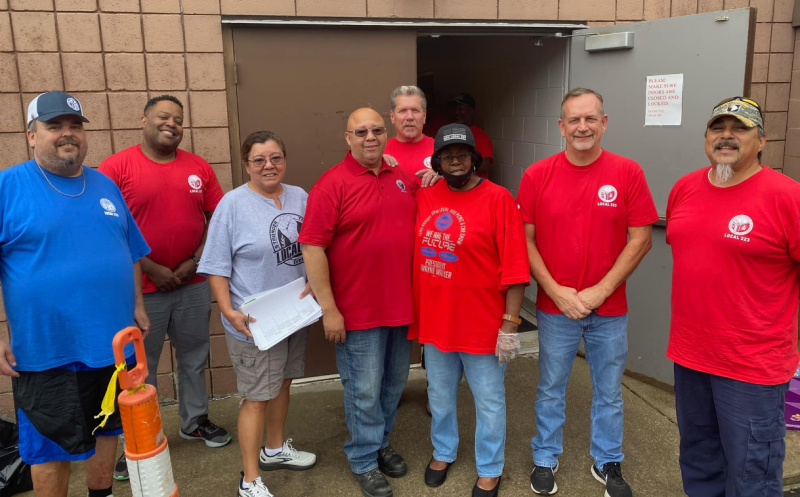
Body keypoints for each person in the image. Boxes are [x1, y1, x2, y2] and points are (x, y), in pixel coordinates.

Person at [0, 91, 150, 497]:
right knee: (49, 449)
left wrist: (137, 304)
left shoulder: (104, 185)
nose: (68, 134)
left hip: (114, 344)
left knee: (109, 429)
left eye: (75, 126)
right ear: (31, 136)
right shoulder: (7, 186)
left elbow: (131, 250)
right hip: (46, 350)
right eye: (54, 127)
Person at [517, 88, 658, 497]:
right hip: (555, 307)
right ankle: (545, 457)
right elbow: (524, 240)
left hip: (609, 309)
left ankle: (608, 460)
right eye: (574, 120)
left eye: (590, 119)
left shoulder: (627, 172)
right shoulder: (537, 175)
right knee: (550, 387)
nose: (583, 127)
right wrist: (556, 291)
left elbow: (642, 238)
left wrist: (601, 290)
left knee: (609, 391)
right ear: (561, 127)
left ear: (604, 123)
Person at [666, 97, 800, 497]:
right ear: (706, 138)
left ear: (761, 140)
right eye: (717, 128)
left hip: (752, 367)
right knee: (699, 460)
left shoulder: (787, 197)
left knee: (751, 473)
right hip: (690, 356)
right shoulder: (684, 189)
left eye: (739, 128)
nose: (726, 136)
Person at [99, 95, 230, 480]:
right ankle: (138, 441)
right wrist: (152, 268)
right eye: (163, 117)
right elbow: (109, 230)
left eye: (178, 119)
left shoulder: (199, 167)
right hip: (141, 290)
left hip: (191, 282)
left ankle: (195, 421)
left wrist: (196, 262)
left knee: (194, 356)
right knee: (141, 369)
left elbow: (217, 220)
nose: (171, 123)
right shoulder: (116, 167)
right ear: (143, 120)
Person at [299, 108, 418, 497]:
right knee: (363, 389)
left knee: (392, 384)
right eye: (361, 131)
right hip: (357, 312)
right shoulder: (331, 185)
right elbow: (312, 246)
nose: (370, 137)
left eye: (377, 130)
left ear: (388, 134)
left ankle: (380, 443)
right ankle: (364, 459)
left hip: (400, 306)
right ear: (347, 138)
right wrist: (329, 310)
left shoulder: (402, 178)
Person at [410, 124, 530, 497]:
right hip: (436, 320)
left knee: (489, 402)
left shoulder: (498, 199)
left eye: (463, 154)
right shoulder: (425, 195)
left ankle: (490, 468)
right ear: (438, 162)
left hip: (481, 324)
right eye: (448, 155)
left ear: (475, 159)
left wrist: (509, 326)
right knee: (440, 397)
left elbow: (515, 268)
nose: (456, 160)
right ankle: (443, 451)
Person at [199, 131, 317, 497]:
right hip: (254, 323)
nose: (269, 166)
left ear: (285, 159)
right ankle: (249, 479)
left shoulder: (300, 196)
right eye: (259, 159)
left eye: (276, 157)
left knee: (283, 383)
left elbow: (313, 247)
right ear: (246, 164)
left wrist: (315, 281)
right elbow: (215, 266)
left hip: (294, 314)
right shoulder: (232, 205)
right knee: (256, 398)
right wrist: (227, 310)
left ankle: (275, 449)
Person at [384, 85, 439, 187]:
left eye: (415, 110)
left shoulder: (440, 150)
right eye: (403, 111)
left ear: (424, 116)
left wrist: (444, 176)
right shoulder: (380, 153)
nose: (409, 117)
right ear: (392, 117)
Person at [448, 93, 494, 178]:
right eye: (454, 109)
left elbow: (485, 166)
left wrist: (461, 163)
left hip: (475, 188)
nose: (456, 112)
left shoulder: (479, 135)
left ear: (471, 110)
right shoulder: (451, 133)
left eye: (461, 109)